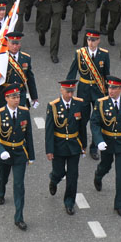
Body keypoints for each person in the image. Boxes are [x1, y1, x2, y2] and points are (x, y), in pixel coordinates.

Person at [91, 76, 121, 216]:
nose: (111, 90)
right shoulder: (101, 103)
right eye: (109, 87)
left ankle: (119, 204)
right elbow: (94, 123)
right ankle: (98, 175)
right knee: (106, 165)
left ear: (120, 89)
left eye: (114, 88)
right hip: (107, 141)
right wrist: (99, 140)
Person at [0, 84, 35, 231]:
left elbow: (28, 135)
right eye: (13, 97)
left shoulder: (24, 112)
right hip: (5, 152)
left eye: (18, 97)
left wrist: (31, 155)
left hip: (20, 153)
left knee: (19, 185)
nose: (16, 100)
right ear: (6, 98)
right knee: (3, 177)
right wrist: (1, 151)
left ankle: (19, 217)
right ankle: (0, 192)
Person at [45, 80, 88, 215]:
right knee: (58, 172)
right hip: (59, 145)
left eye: (72, 92)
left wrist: (84, 145)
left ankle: (69, 202)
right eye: (67, 92)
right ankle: (54, 179)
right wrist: (49, 150)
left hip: (74, 145)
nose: (70, 94)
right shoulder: (53, 106)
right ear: (61, 90)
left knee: (73, 175)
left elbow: (82, 127)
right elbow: (49, 130)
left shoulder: (79, 104)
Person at [66, 29, 109, 160]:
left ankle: (94, 147)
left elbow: (106, 74)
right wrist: (68, 89)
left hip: (98, 90)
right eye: (89, 40)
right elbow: (72, 71)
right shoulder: (80, 53)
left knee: (98, 119)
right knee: (82, 119)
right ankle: (82, 144)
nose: (91, 42)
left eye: (93, 40)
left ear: (98, 41)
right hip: (84, 90)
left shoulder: (104, 54)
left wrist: (108, 91)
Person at [0, 31, 38, 110]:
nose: (15, 46)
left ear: (20, 44)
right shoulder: (0, 58)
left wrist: (34, 96)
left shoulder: (26, 58)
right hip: (4, 94)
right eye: (12, 44)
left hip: (19, 94)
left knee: (19, 115)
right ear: (7, 44)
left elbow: (30, 78)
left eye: (17, 44)